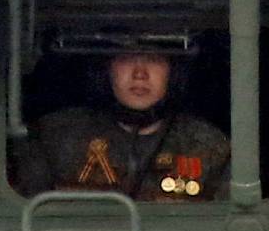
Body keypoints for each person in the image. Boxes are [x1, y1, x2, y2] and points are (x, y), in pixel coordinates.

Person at [14, 50, 230, 200]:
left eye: (154, 60)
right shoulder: (56, 137)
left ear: (173, 74)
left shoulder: (208, 146)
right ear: (106, 70)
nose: (140, 74)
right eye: (126, 58)